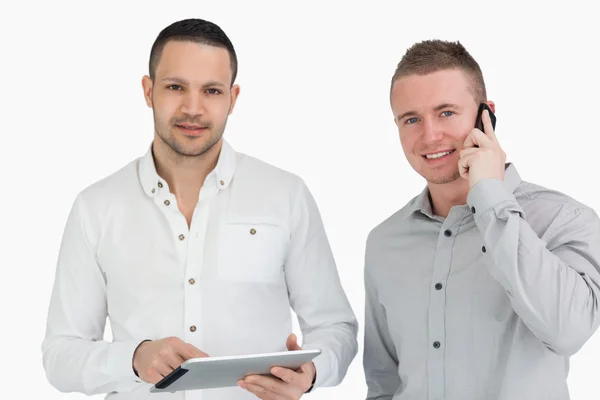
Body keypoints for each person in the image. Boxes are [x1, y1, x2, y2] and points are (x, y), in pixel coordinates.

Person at [41, 18, 358, 400]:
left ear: (233, 98)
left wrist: (310, 373)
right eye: (176, 87)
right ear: (148, 90)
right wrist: (133, 357)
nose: (193, 108)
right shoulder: (96, 207)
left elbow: (335, 327)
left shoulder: (286, 195)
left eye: (211, 90)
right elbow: (60, 355)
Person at [363, 39, 600, 400]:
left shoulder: (563, 220)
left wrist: (490, 194)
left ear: (485, 115)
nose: (429, 136)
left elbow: (567, 331)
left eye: (446, 113)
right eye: (411, 119)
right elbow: (384, 382)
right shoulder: (385, 241)